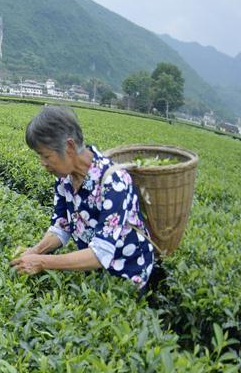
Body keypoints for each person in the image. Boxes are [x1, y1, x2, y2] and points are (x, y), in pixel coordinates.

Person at [10, 106, 156, 289]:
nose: (43, 163)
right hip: (93, 272)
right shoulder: (64, 178)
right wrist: (35, 251)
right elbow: (61, 226)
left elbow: (100, 253)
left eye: (46, 156)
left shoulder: (114, 182)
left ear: (69, 146)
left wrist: (42, 261)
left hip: (126, 275)